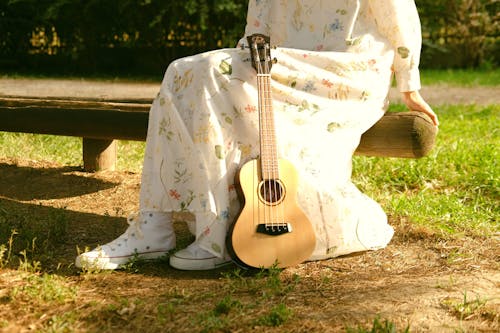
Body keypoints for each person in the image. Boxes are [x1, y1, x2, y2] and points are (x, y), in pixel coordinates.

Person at [76, 0, 439, 271]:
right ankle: (154, 225)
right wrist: (247, 62)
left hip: (345, 71)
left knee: (206, 70)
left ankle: (215, 236)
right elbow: (259, 23)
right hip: (279, 62)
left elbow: (400, 15)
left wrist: (409, 86)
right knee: (186, 72)